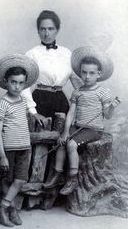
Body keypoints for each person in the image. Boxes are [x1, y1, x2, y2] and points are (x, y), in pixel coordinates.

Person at [43, 46, 121, 195]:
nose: (87, 76)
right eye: (84, 72)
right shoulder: (77, 92)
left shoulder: (102, 92)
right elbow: (71, 112)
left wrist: (112, 107)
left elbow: (108, 115)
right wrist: (65, 132)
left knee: (71, 145)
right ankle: (58, 174)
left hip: (93, 130)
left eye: (91, 73)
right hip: (78, 126)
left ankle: (73, 178)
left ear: (99, 74)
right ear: (80, 73)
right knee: (61, 142)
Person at [0, 54, 39, 227]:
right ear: (6, 81)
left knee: (20, 180)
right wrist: (3, 156)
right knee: (7, 180)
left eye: (21, 83)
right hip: (9, 149)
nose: (17, 86)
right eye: (13, 82)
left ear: (25, 83)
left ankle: (4, 208)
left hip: (24, 147)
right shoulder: (3, 103)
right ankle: (10, 211)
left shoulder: (22, 101)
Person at [22, 10, 82, 126]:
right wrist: (33, 112)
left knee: (61, 137)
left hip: (61, 101)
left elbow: (78, 84)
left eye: (51, 29)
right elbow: (24, 86)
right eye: (42, 29)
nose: (46, 33)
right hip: (40, 100)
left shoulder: (67, 53)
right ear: (38, 31)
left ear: (57, 30)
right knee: (40, 137)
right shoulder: (32, 54)